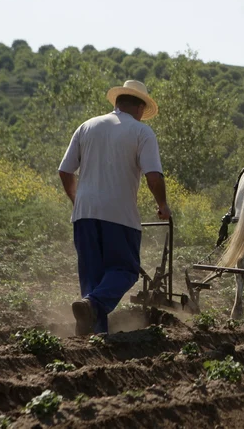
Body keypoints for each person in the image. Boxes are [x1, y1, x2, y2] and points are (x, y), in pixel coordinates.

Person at [58, 80, 172, 336]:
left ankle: (94, 336)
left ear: (118, 102)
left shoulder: (87, 126)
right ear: (141, 108)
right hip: (119, 215)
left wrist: (78, 201)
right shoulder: (142, 132)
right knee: (125, 270)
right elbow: (153, 176)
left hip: (84, 215)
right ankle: (94, 305)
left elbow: (65, 170)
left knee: (92, 278)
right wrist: (162, 205)